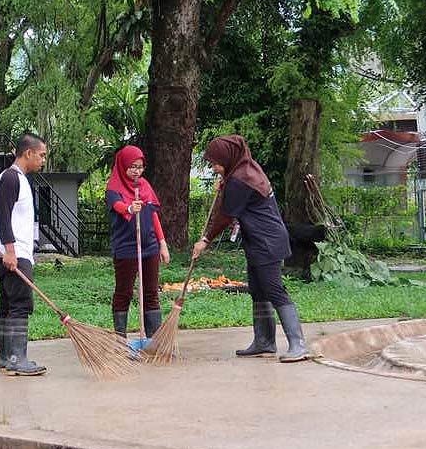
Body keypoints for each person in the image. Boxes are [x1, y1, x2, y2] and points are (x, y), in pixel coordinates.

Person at [191, 135, 309, 362]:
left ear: (228, 157)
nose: (214, 168)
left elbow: (226, 215)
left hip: (267, 242)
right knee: (257, 289)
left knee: (274, 290)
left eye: (216, 163)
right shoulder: (246, 170)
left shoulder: (239, 180)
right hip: (259, 240)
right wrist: (224, 183)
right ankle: (264, 342)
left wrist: (205, 240)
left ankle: (298, 344)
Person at [0, 133, 48, 376]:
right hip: (12, 253)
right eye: (41, 155)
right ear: (28, 153)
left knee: (8, 303)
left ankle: (6, 359)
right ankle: (16, 358)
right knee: (21, 304)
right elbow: (3, 217)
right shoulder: (11, 178)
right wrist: (10, 251)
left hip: (9, 251)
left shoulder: (18, 179)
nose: (43, 160)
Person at [106, 145, 170, 340]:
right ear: (123, 165)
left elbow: (154, 217)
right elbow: (116, 205)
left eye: (140, 167)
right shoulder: (113, 187)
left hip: (149, 246)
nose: (137, 171)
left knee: (151, 292)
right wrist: (128, 208)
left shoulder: (145, 186)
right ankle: (120, 339)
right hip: (126, 247)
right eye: (132, 167)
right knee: (123, 292)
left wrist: (162, 243)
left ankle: (153, 340)